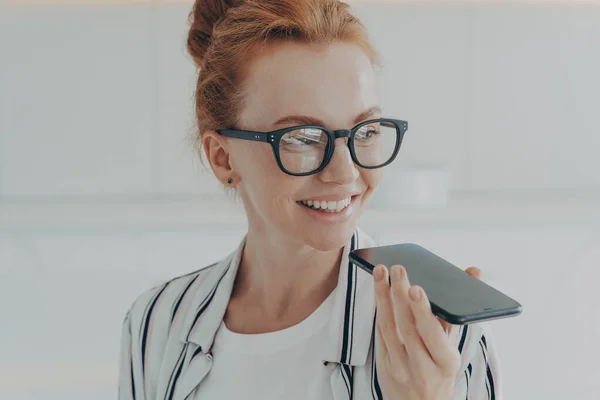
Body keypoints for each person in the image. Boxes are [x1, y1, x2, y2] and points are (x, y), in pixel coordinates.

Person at [118, 0, 501, 399]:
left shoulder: (440, 340)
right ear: (222, 156)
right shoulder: (157, 324)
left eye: (365, 131)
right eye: (302, 138)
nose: (345, 172)